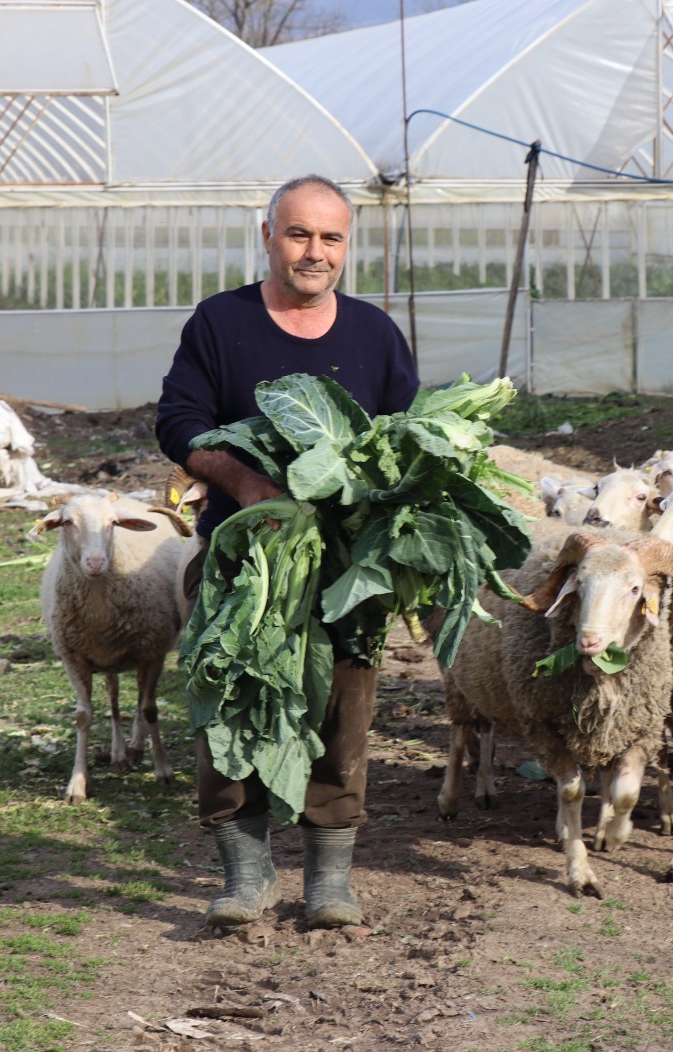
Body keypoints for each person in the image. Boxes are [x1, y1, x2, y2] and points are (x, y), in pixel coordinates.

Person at [156, 175, 420, 930]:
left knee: (344, 714)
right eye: (300, 234)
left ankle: (329, 882)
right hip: (246, 563)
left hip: (345, 568)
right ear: (268, 234)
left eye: (331, 238)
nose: (315, 252)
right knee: (229, 706)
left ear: (347, 245)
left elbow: (404, 439)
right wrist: (248, 487)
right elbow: (179, 420)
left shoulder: (374, 334)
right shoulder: (220, 322)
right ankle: (247, 875)